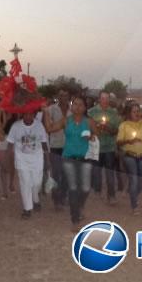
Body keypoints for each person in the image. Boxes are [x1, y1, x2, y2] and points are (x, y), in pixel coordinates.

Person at [61, 96, 96, 232]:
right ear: (71, 106)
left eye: (80, 104)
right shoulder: (66, 121)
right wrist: (45, 113)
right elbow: (50, 128)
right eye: (75, 104)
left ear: (84, 107)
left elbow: (96, 135)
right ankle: (74, 219)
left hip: (85, 158)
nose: (77, 107)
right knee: (73, 189)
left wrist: (91, 136)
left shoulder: (89, 122)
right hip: (69, 158)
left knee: (86, 188)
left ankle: (80, 206)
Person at [117, 103, 142, 215]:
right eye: (134, 111)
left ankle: (132, 192)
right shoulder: (124, 125)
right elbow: (119, 142)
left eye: (138, 111)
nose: (136, 113)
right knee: (134, 180)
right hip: (130, 156)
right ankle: (134, 206)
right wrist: (129, 141)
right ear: (129, 113)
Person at [7, 112, 49, 219]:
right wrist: (9, 158)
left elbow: (44, 142)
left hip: (37, 159)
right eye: (26, 114)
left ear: (34, 114)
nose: (28, 116)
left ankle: (35, 199)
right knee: (25, 183)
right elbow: (10, 143)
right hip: (22, 159)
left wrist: (48, 159)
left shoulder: (39, 125)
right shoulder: (16, 126)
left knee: (36, 183)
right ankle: (27, 208)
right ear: (22, 114)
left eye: (30, 114)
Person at [88, 91, 120, 205]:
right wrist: (95, 127)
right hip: (96, 147)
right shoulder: (91, 112)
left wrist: (107, 128)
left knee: (110, 173)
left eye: (107, 98)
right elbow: (87, 129)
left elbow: (116, 130)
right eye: (103, 98)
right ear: (99, 99)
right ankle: (97, 190)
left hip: (109, 147)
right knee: (96, 172)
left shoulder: (113, 113)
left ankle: (111, 195)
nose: (105, 101)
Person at [43, 88, 71, 210]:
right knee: (56, 174)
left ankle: (63, 197)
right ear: (58, 97)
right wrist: (61, 123)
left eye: (65, 95)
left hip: (69, 146)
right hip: (56, 146)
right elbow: (47, 128)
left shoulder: (73, 110)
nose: (63, 98)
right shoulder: (51, 110)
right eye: (61, 95)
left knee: (66, 174)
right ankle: (56, 200)